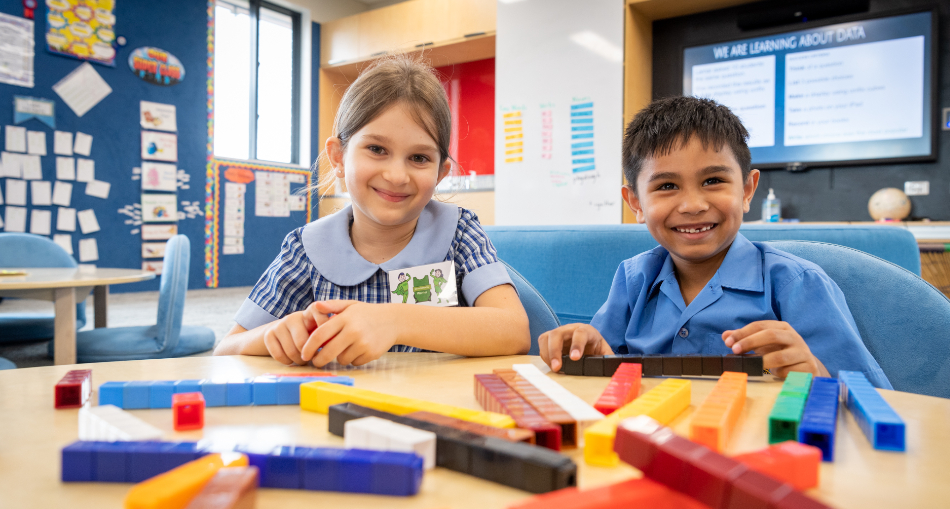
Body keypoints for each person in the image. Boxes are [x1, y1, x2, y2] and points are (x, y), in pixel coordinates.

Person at [539, 96, 891, 388]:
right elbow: (607, 369)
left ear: (747, 190)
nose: (693, 205)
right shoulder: (634, 280)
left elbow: (876, 399)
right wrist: (592, 354)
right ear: (635, 203)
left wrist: (813, 373)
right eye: (666, 186)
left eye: (713, 180)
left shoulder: (797, 284)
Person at [215, 56, 529, 366]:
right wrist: (275, 331)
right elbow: (227, 349)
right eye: (377, 149)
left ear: (440, 174)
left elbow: (514, 331)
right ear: (338, 157)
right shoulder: (307, 248)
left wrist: (395, 321)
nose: (396, 175)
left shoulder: (458, 232)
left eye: (419, 158)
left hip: (436, 409)